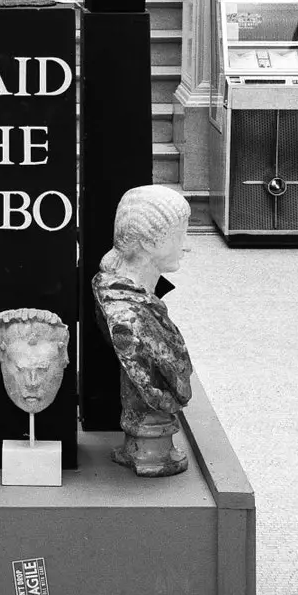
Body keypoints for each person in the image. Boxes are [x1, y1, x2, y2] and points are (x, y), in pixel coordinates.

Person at [91, 185, 194, 477]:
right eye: (180, 235)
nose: (186, 244)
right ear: (150, 242)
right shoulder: (128, 318)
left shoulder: (137, 301)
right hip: (151, 426)